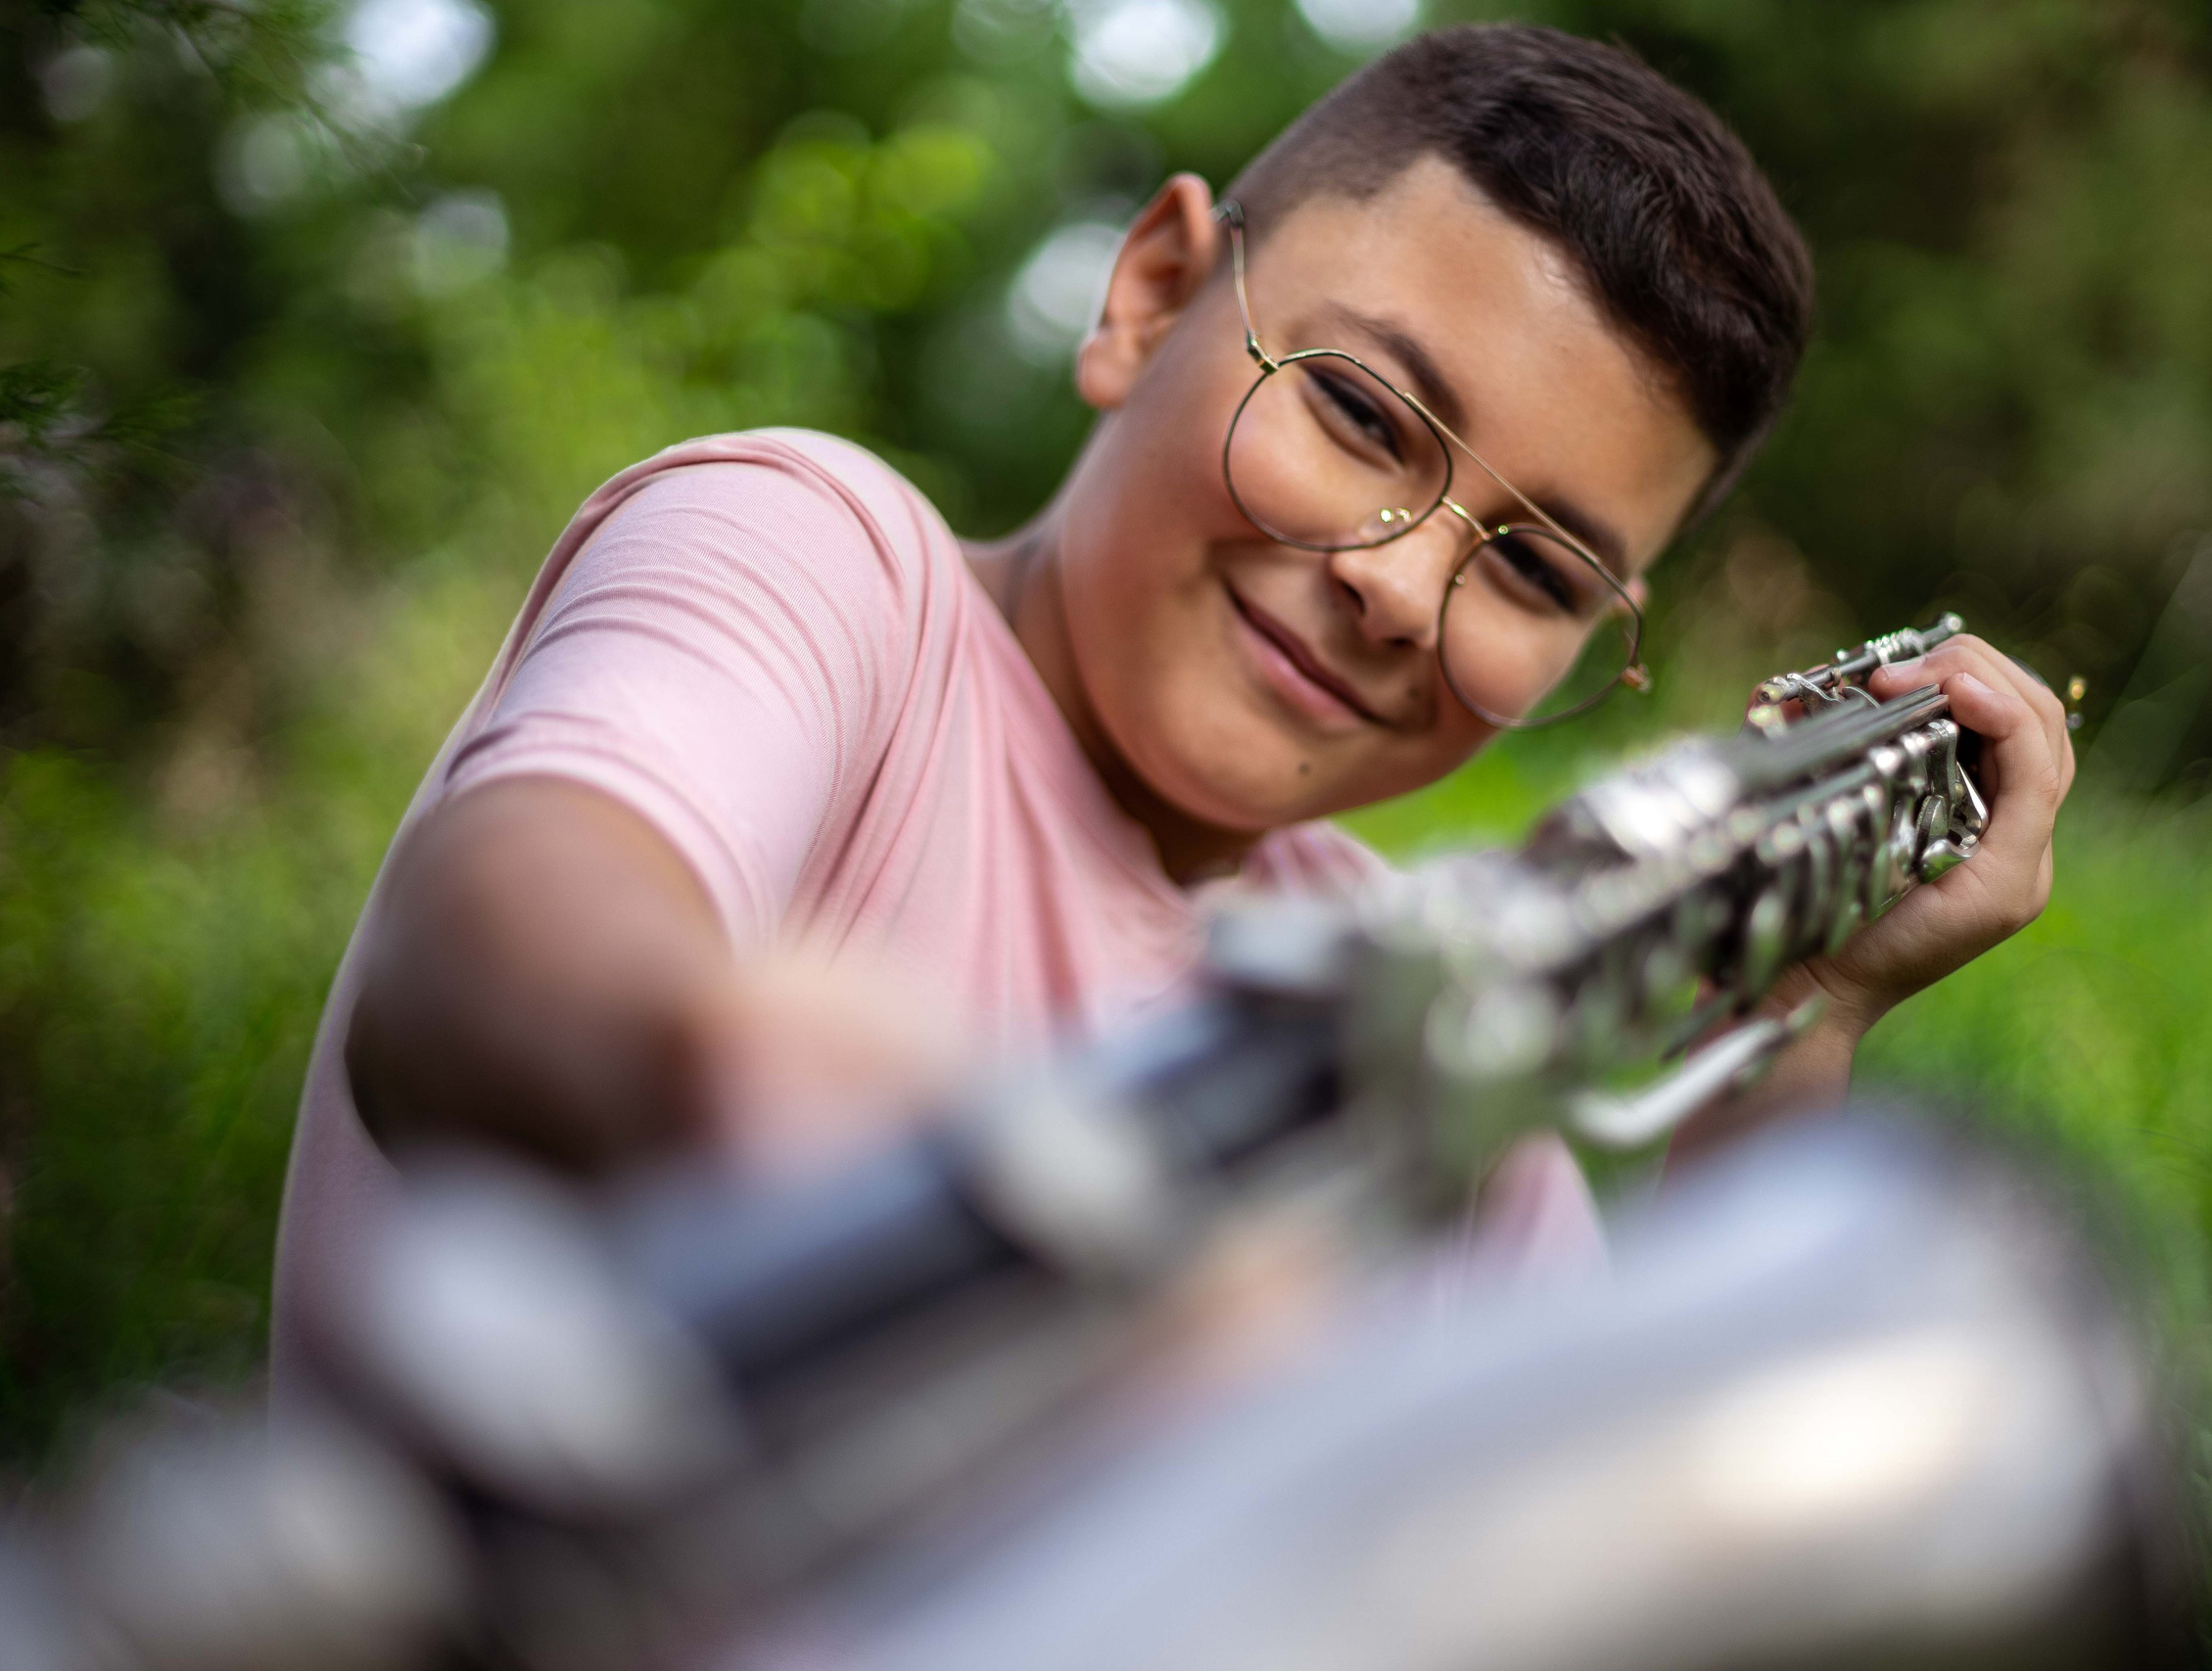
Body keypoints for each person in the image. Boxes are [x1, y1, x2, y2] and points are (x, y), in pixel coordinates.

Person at [273, 23, 2074, 1378]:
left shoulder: (1420, 1001)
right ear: (1148, 295)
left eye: (1530, 570)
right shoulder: (823, 570)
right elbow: (493, 946)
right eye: (1362, 414)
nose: (1394, 581)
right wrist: (819, 1121)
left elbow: (1648, 1533)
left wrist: (1809, 1015)